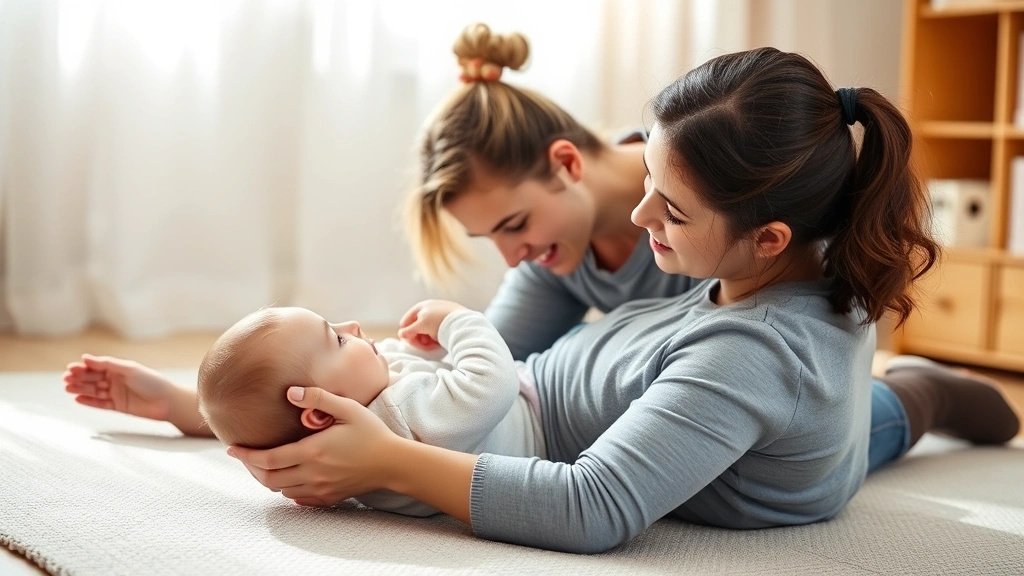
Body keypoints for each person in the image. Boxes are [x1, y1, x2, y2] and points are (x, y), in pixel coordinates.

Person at [226, 43, 1020, 554]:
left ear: (769, 237)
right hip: (698, 395)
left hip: (775, 440)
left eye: (670, 210)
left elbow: (594, 507)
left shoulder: (753, 355)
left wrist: (390, 459)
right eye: (647, 184)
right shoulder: (762, 261)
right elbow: (475, 357)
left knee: (875, 420)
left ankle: (926, 395)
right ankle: (898, 395)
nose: (641, 218)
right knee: (844, 412)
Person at [64, 299, 545, 517]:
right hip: (542, 416)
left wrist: (176, 406)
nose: (353, 324)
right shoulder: (407, 417)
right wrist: (457, 321)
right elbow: (493, 381)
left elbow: (266, 424)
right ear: (318, 412)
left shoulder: (341, 438)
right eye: (336, 338)